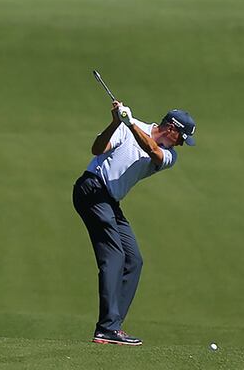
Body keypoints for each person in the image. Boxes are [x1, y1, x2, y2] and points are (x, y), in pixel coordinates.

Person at [72, 101, 196, 346]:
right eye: (181, 137)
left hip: (110, 201)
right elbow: (97, 149)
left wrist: (128, 123)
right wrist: (115, 123)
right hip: (92, 189)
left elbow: (151, 150)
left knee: (133, 259)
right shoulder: (128, 126)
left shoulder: (169, 155)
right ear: (171, 128)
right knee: (114, 256)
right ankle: (107, 328)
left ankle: (112, 326)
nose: (181, 143)